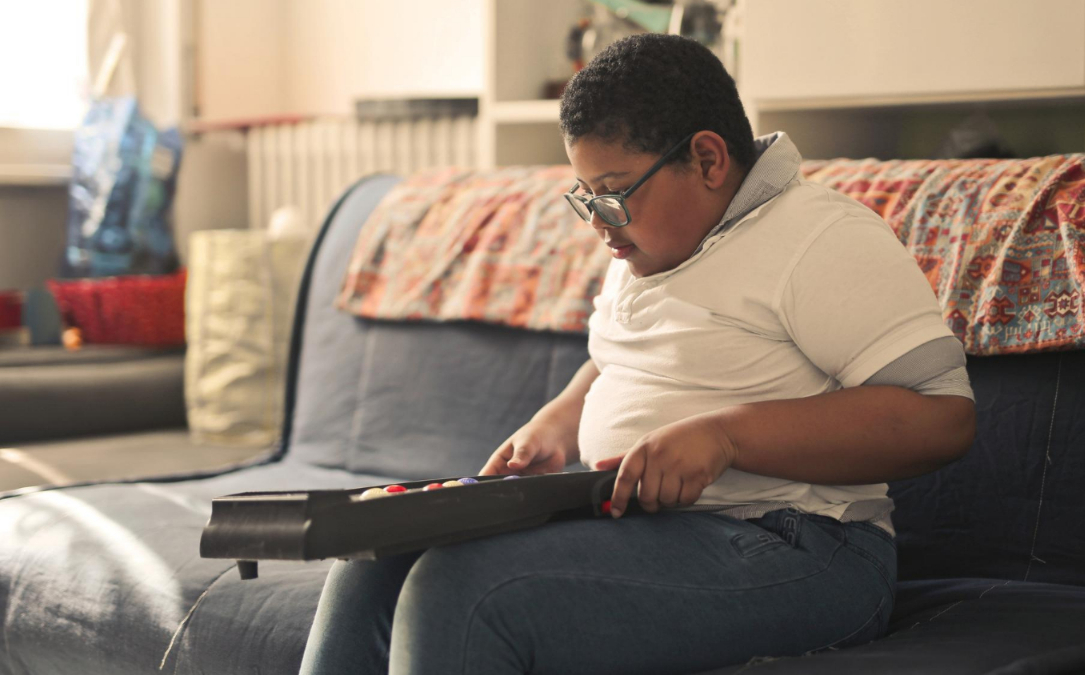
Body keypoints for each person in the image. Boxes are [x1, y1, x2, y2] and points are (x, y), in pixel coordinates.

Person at [299, 33, 975, 675]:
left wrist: (726, 437)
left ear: (708, 160)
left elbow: (940, 416)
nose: (597, 220)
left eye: (614, 192)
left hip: (808, 546)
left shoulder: (818, 236)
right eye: (586, 195)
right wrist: (560, 422)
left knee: (463, 589)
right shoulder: (650, 239)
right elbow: (631, 357)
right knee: (373, 558)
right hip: (650, 527)